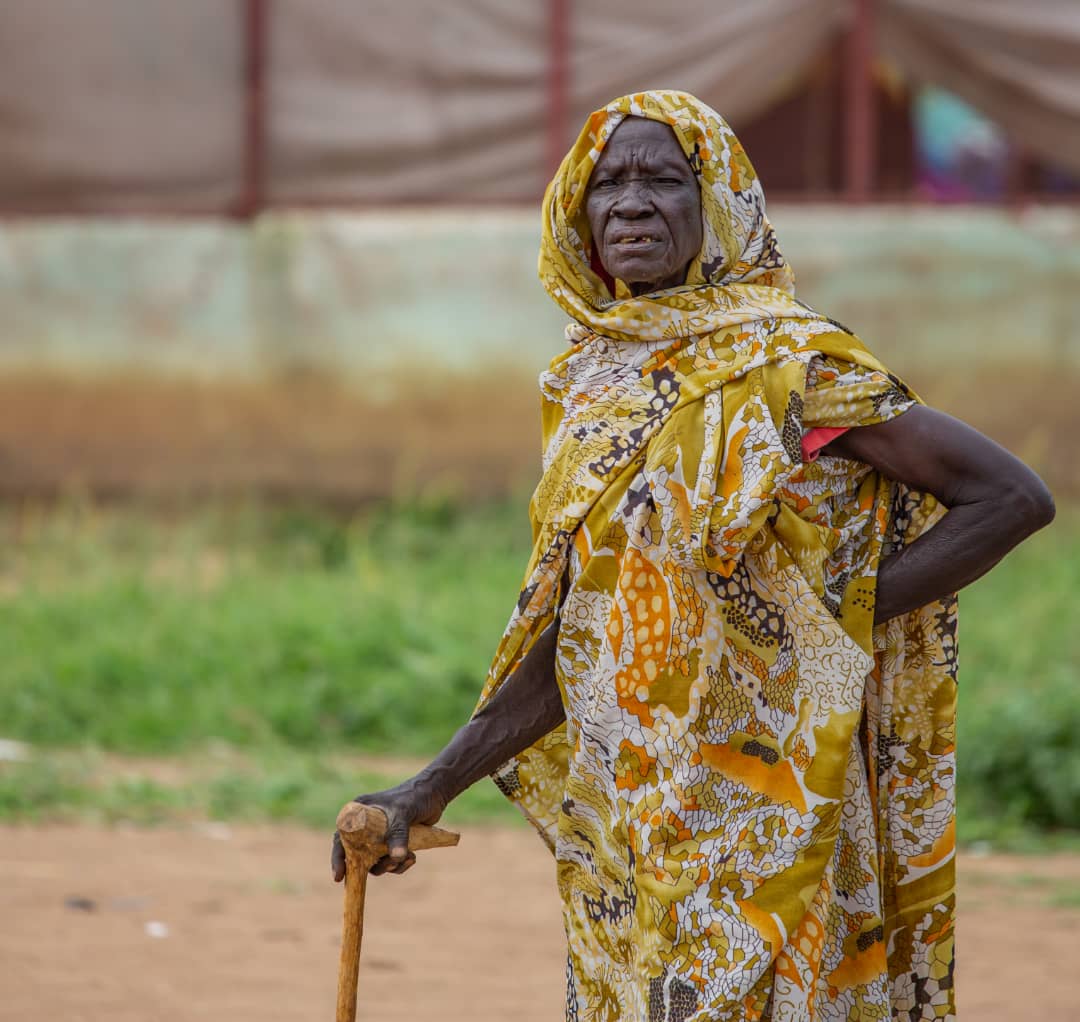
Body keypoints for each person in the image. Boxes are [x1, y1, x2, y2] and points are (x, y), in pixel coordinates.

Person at [331, 91, 1054, 1021]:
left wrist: (835, 615)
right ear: (575, 216)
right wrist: (423, 791)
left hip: (776, 804)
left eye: (663, 180)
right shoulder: (593, 382)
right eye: (607, 184)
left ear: (715, 204)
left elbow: (1008, 499)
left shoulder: (790, 368)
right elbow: (589, 632)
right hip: (642, 815)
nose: (630, 204)